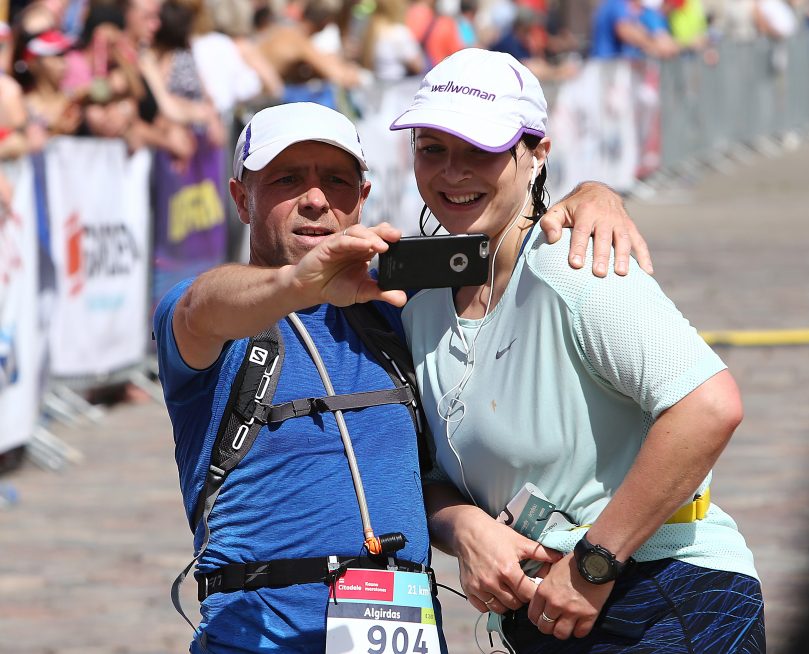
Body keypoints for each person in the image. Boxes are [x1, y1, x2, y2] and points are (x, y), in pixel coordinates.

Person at [153, 99, 652, 652]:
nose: (316, 199)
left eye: (337, 181)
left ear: (362, 199)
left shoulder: (400, 306)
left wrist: (593, 196)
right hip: (260, 634)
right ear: (241, 198)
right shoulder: (213, 315)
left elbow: (508, 232)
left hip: (403, 626)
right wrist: (298, 284)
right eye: (287, 179)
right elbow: (203, 307)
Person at [388, 48, 764, 652]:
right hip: (548, 611)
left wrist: (594, 564)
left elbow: (708, 406)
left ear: (536, 155)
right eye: (433, 149)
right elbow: (422, 470)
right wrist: (464, 530)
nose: (453, 171)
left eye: (480, 150)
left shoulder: (577, 264)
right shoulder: (424, 304)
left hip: (661, 594)